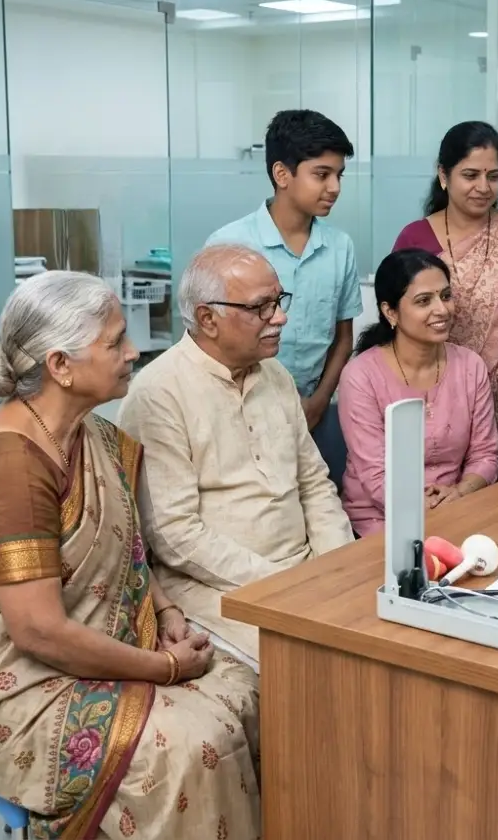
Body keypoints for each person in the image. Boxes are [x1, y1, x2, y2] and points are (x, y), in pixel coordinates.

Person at [0, 272, 260, 840]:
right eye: (115, 342)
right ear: (61, 365)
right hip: (7, 671)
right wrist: (166, 669)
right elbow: (38, 631)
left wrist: (165, 611)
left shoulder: (87, 434)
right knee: (190, 745)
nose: (133, 351)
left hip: (75, 640)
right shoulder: (12, 468)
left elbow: (124, 546)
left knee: (246, 691)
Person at [117, 244, 354, 666]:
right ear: (208, 319)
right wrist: (288, 583)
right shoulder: (159, 392)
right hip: (216, 586)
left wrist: (337, 565)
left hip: (306, 569)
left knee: (386, 631)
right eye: (261, 307)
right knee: (316, 661)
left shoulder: (276, 375)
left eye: (279, 301)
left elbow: (314, 484)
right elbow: (175, 535)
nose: (279, 318)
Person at [392, 121, 498, 454]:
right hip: (443, 388)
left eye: (494, 176)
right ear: (443, 175)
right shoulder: (415, 238)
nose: (483, 187)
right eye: (470, 175)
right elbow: (401, 320)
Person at [207, 109, 363, 479]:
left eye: (339, 175)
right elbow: (208, 342)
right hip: (240, 411)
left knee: (317, 498)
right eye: (321, 174)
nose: (335, 187)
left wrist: (319, 402)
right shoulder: (230, 244)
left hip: (313, 410)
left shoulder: (340, 247)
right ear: (282, 174)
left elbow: (342, 338)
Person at [338, 249, 498, 536]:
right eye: (424, 301)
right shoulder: (361, 376)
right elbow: (375, 476)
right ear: (390, 312)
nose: (442, 310)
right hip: (381, 519)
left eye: (446, 296)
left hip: (455, 508)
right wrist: (423, 508)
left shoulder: (470, 366)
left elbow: (486, 454)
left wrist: (461, 491)